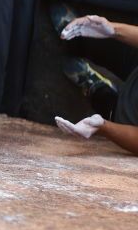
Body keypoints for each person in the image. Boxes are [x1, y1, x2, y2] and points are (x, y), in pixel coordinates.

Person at [54, 14, 138, 155]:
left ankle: (92, 83)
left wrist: (103, 127)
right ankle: (73, 33)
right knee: (104, 43)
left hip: (130, 116)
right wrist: (112, 29)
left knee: (105, 103)